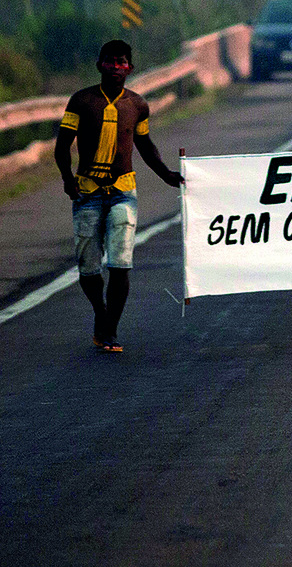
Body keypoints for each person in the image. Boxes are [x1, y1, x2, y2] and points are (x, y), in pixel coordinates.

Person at [55, 40, 182, 353]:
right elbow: (61, 146)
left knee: (121, 263)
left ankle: (110, 330)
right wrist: (67, 180)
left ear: (130, 68)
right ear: (99, 65)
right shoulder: (81, 101)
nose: (115, 68)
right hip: (87, 191)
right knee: (88, 266)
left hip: (124, 191)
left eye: (121, 62)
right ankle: (101, 313)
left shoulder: (138, 105)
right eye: (109, 62)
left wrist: (166, 174)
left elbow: (145, 144)